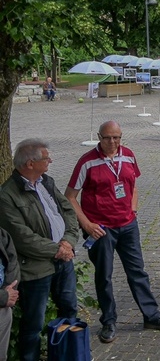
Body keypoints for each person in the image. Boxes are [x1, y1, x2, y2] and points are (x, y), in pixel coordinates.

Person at [65, 121, 160, 344]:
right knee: (104, 276)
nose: (112, 142)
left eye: (117, 137)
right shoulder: (87, 162)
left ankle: (151, 315)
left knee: (138, 272)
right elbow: (69, 197)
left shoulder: (129, 155)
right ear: (99, 137)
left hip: (127, 225)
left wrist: (133, 209)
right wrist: (87, 225)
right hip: (101, 230)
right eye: (107, 138)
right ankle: (109, 321)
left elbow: (132, 184)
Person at [0, 138, 80, 361]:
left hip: (64, 261)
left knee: (69, 311)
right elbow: (22, 238)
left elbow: (68, 212)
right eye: (46, 158)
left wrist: (69, 242)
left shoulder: (47, 182)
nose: (51, 161)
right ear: (29, 164)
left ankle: (68, 355)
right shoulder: (7, 196)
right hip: (36, 269)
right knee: (33, 325)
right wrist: (57, 249)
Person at [0, 227, 19, 361]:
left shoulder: (2, 233)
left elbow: (12, 261)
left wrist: (9, 290)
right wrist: (3, 296)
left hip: (3, 307)